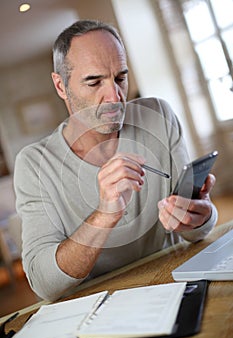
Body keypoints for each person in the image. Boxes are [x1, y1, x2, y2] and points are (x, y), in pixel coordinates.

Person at [14, 19, 217, 301]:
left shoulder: (159, 115)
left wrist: (201, 216)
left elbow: (195, 230)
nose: (115, 96)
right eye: (94, 81)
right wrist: (105, 214)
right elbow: (44, 284)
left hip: (173, 283)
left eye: (120, 78)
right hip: (98, 307)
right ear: (61, 86)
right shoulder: (34, 164)